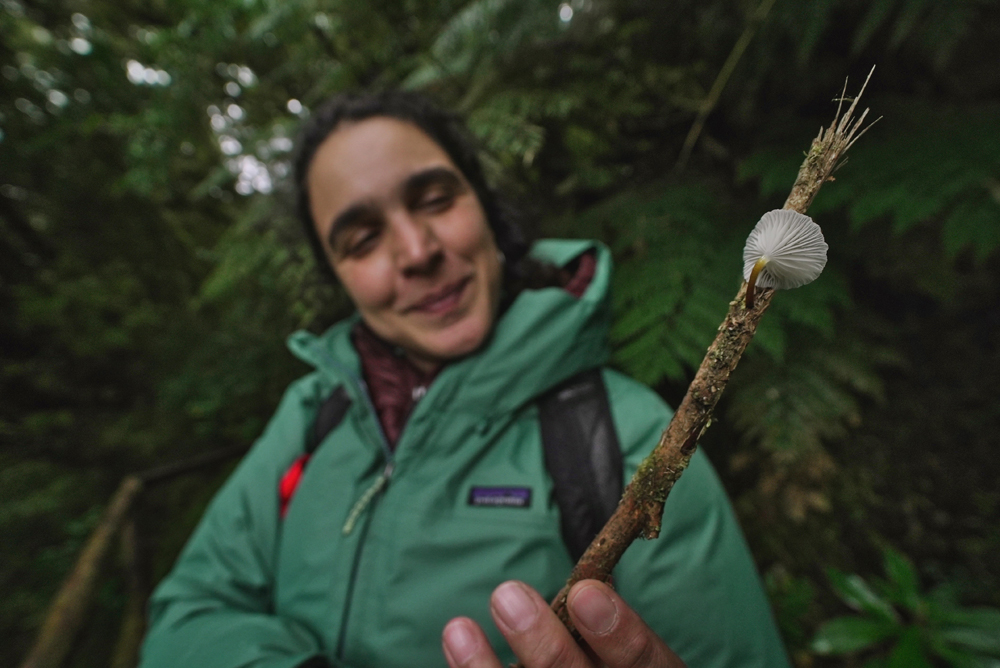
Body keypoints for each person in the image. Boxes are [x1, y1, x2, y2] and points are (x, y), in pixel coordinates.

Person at [138, 90, 791, 668]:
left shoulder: (626, 438)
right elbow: (187, 616)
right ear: (335, 274)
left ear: (484, 203)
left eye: (435, 199)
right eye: (362, 239)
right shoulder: (311, 415)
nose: (418, 251)